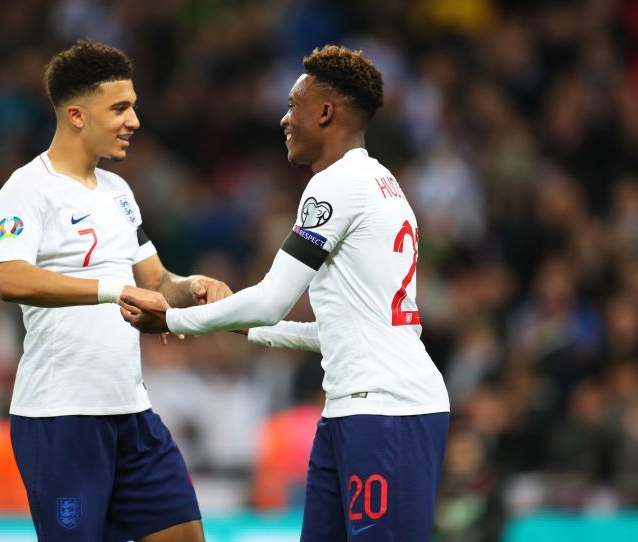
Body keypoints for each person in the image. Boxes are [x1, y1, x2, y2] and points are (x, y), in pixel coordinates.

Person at [121, 45, 451, 541]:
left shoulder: (335, 186)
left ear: (325, 112)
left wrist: (171, 319)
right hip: (353, 408)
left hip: (386, 411)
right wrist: (242, 323)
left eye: (293, 106)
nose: (283, 119)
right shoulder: (382, 182)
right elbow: (338, 332)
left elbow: (272, 298)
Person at [0, 40, 230, 542]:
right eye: (120, 108)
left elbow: (156, 282)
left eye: (134, 106)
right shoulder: (27, 188)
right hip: (61, 417)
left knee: (186, 536)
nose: (135, 120)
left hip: (130, 411)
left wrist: (195, 287)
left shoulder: (120, 193)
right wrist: (111, 290)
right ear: (76, 115)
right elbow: (9, 277)